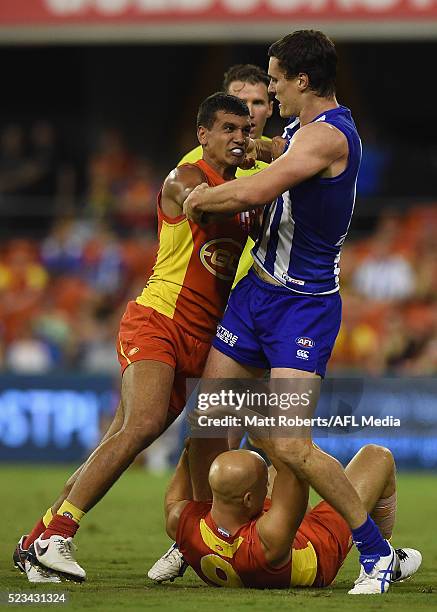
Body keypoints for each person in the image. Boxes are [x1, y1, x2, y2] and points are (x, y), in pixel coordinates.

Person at [182, 30, 397, 594]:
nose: (270, 92)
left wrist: (197, 198)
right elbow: (280, 150)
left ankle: (377, 554)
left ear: (303, 80)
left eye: (275, 80)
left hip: (303, 309)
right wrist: (260, 147)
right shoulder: (303, 131)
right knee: (210, 419)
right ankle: (204, 536)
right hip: (256, 295)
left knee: (292, 446)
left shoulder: (330, 137)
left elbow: (258, 192)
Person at [14, 93, 253, 583]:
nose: (237, 138)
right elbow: (202, 212)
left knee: (118, 440)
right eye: (227, 129)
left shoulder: (246, 192)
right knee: (141, 425)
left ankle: (35, 541)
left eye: (244, 130)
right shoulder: (185, 179)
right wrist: (273, 172)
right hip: (158, 321)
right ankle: (61, 533)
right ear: (202, 135)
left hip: (201, 337)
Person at [165, 442, 421, 592]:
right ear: (249, 500)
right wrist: (271, 436)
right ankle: (384, 556)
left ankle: (182, 553)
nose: (268, 483)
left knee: (274, 466)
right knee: (377, 456)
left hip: (225, 538)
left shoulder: (182, 522)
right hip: (320, 545)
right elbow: (297, 467)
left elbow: (180, 484)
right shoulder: (267, 539)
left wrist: (192, 449)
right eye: (264, 485)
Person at [180, 64, 274, 289]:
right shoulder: (192, 164)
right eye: (239, 102)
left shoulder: (284, 161)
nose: (248, 111)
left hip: (261, 295)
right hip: (206, 290)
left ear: (270, 108)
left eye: (257, 103)